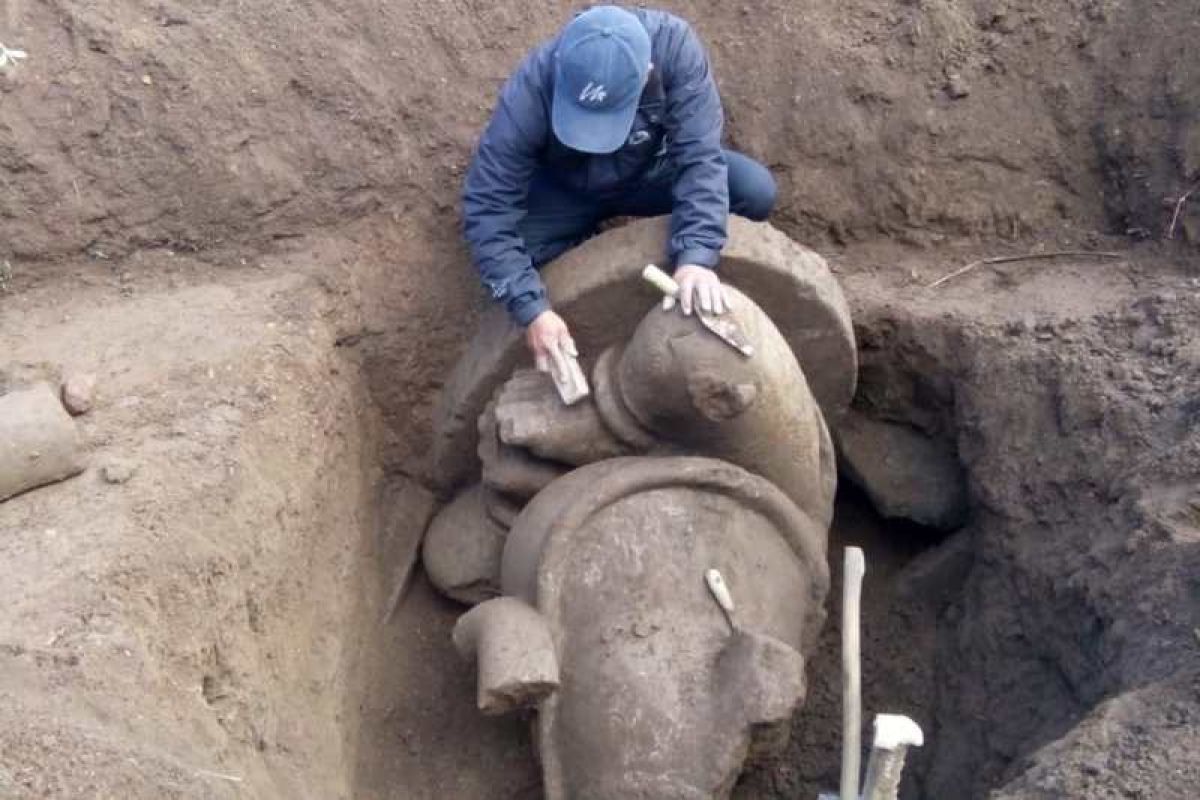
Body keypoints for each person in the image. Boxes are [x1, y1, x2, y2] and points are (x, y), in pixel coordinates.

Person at [462, 5, 777, 370]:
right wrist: (532, 311)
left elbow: (699, 160)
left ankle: (696, 272)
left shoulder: (675, 49)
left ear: (645, 75)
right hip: (568, 190)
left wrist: (697, 256)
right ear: (562, 65)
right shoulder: (532, 87)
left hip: (651, 171)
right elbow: (487, 208)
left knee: (753, 191)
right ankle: (578, 251)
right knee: (515, 259)